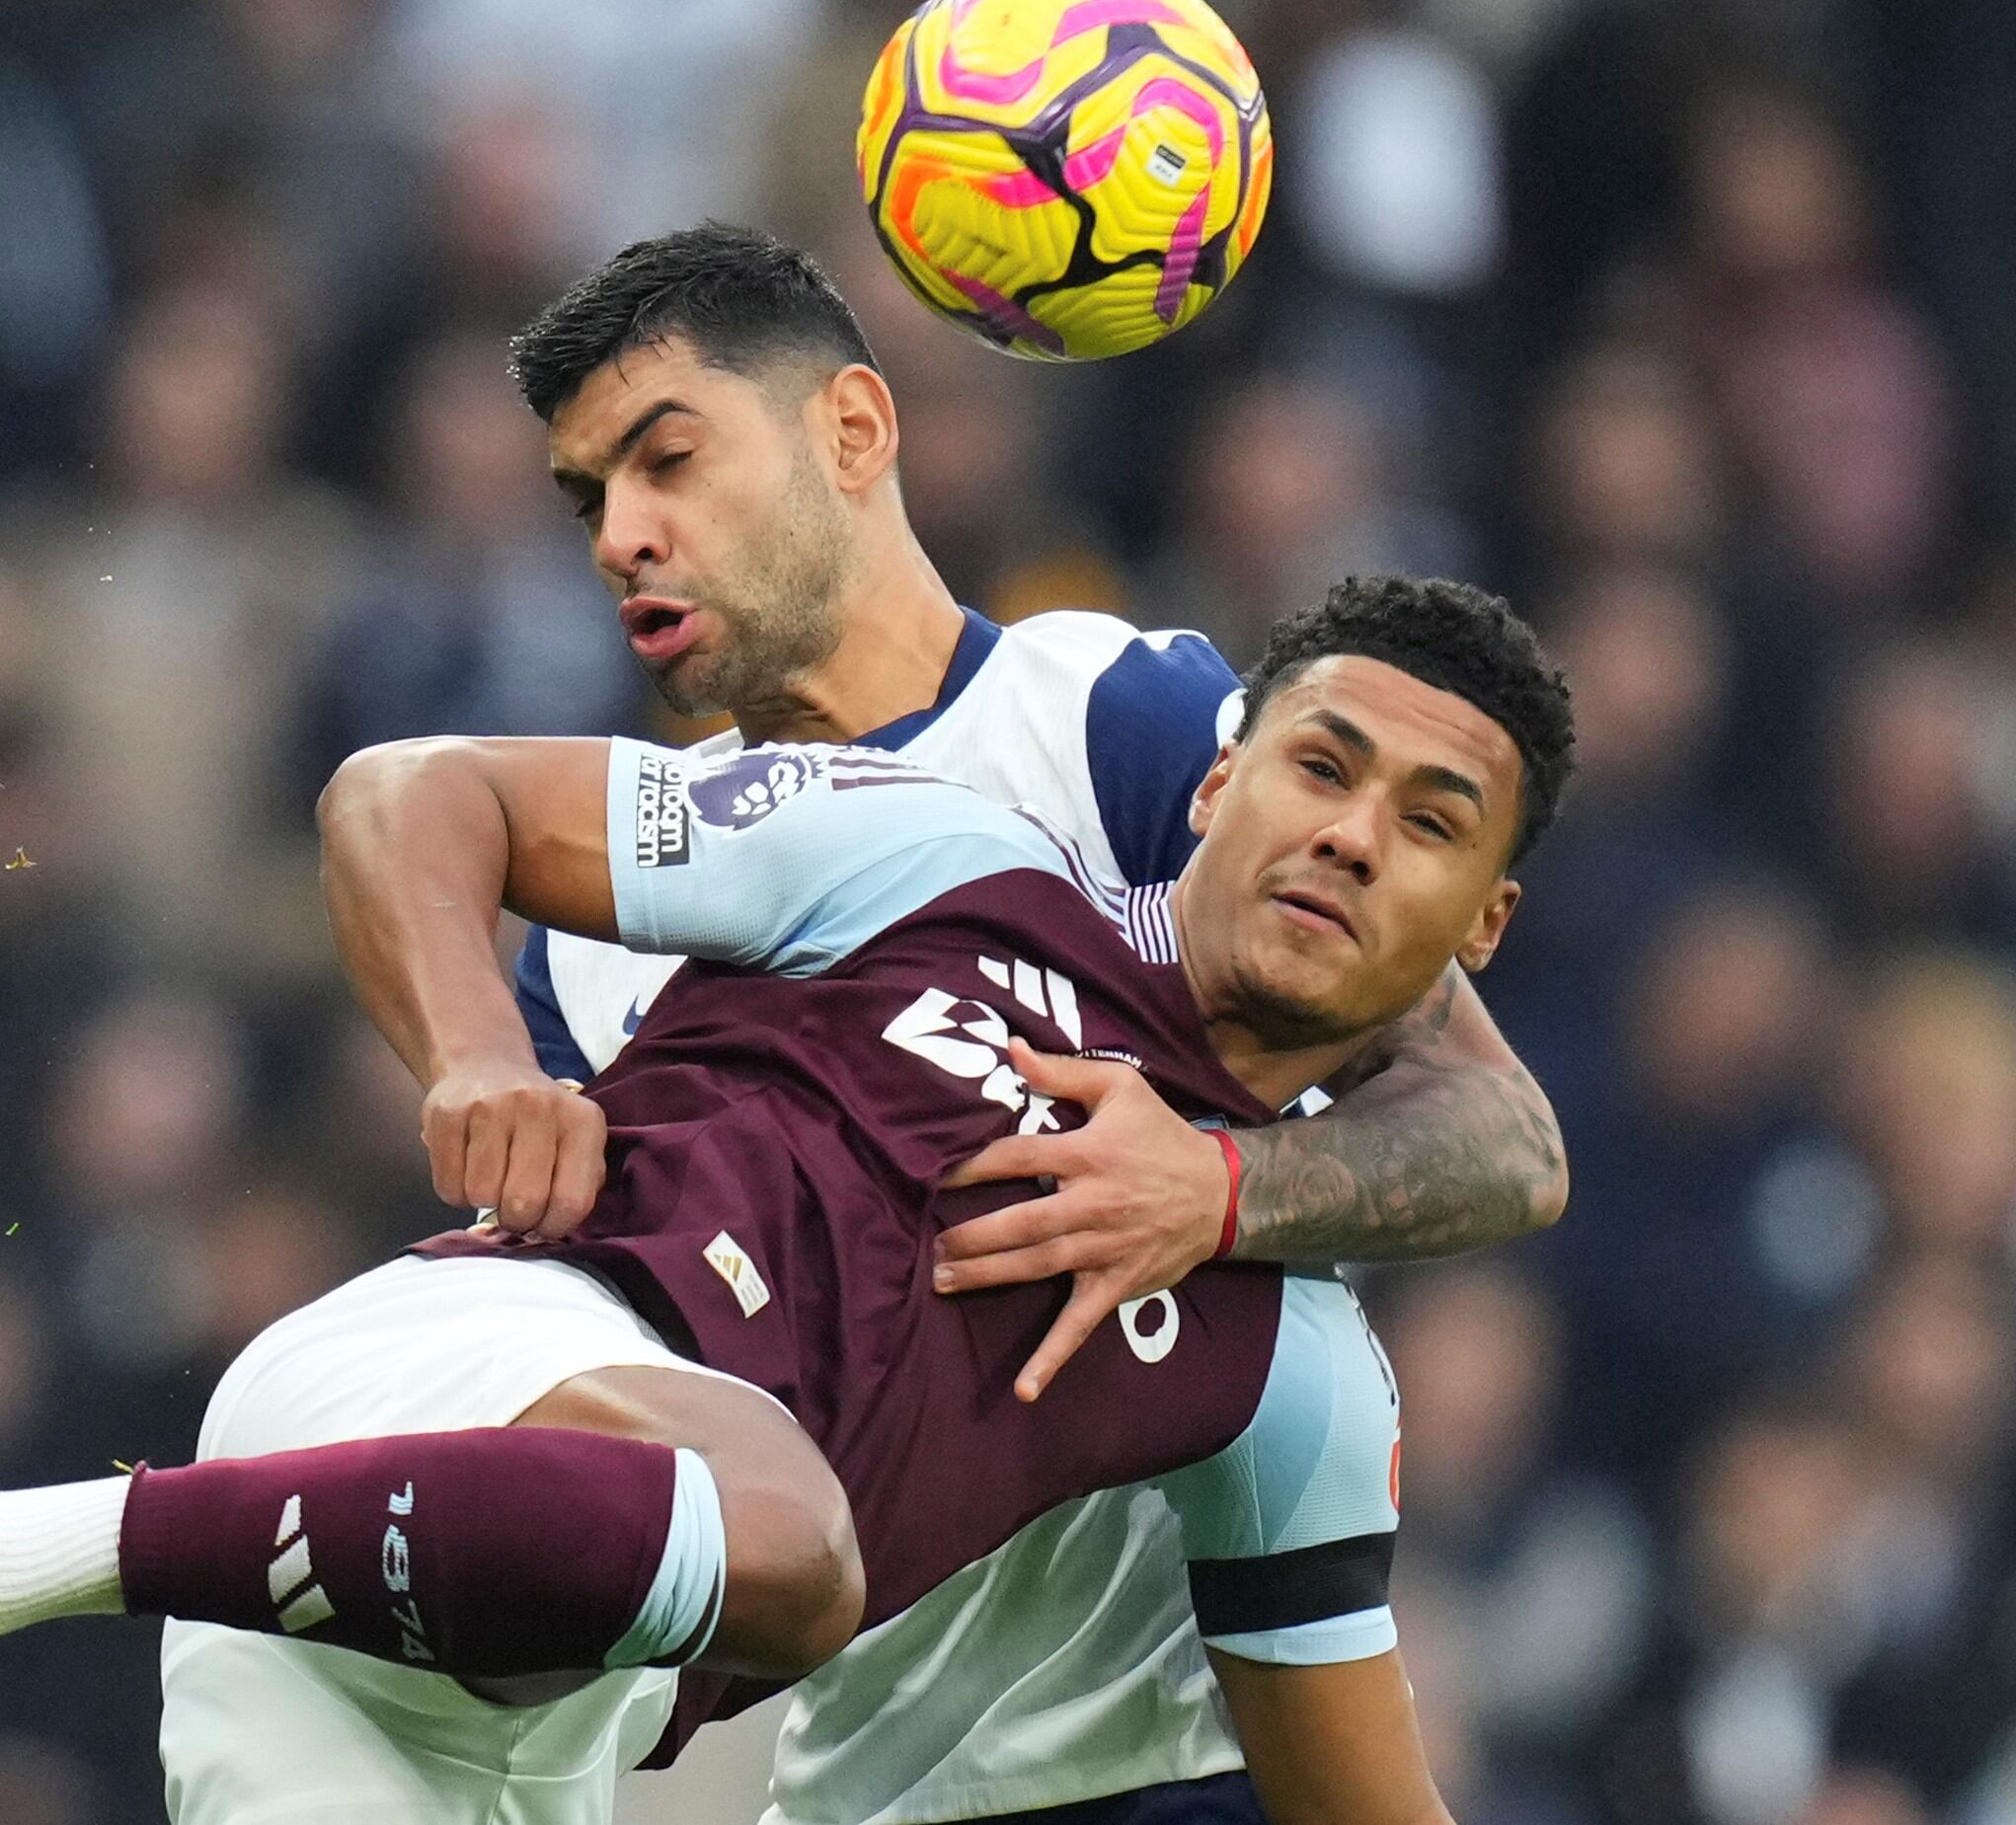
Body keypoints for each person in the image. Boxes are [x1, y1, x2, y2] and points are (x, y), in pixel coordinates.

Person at [0, 571, 1576, 1825]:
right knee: (792, 1547)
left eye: (1426, 823)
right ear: (1220, 770)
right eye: (1322, 762)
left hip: (513, 1721)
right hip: (461, 1376)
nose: (1347, 830)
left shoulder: (1295, 1383)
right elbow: (418, 795)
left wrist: (1228, 1188)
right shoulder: (933, 857)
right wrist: (478, 1051)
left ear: (1478, 922)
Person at [498, 222, 1566, 1820]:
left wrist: (1212, 1194)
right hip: (861, 1772)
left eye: (669, 462)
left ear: (854, 432)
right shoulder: (591, 951)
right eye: (591, 500)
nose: (624, 536)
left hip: (1191, 1744)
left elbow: (1503, 1138)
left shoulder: (1113, 717)